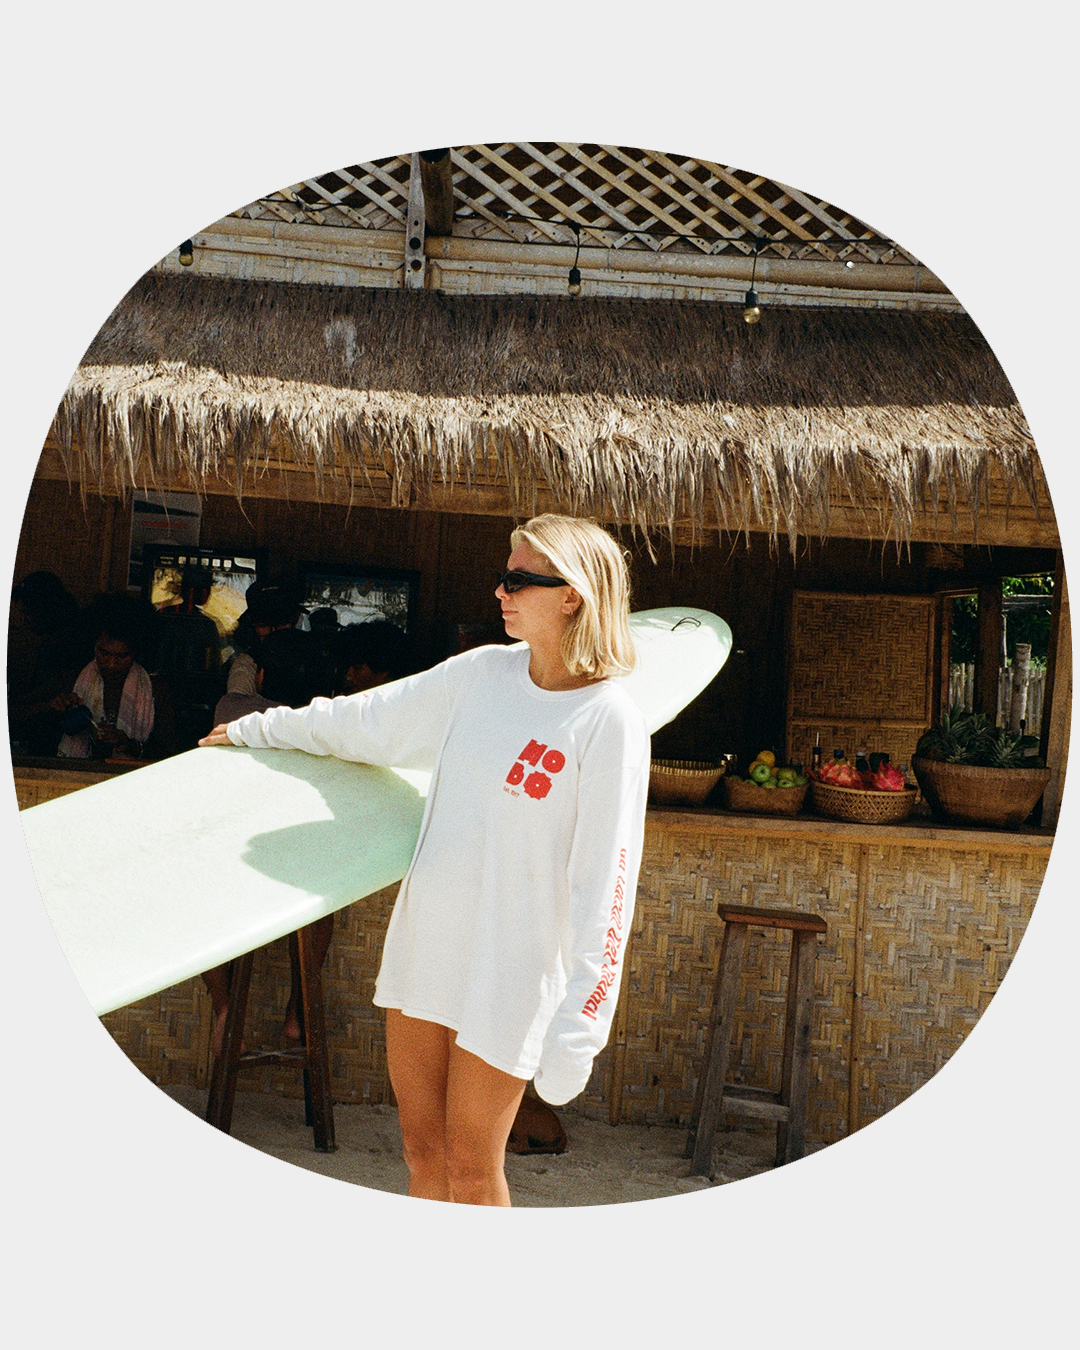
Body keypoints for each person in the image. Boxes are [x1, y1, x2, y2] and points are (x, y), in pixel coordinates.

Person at [199, 516, 650, 1206]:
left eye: (521, 579)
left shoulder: (606, 717)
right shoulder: (479, 675)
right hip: (428, 949)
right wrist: (259, 727)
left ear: (573, 596)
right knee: (421, 1154)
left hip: (511, 968)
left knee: (472, 1169)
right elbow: (366, 720)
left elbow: (606, 883)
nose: (501, 590)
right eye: (504, 574)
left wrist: (581, 1024)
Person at [202, 627, 335, 1055]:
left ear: (260, 678)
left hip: (234, 867)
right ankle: (299, 1013)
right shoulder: (327, 727)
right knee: (326, 905)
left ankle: (225, 1008)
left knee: (199, 910)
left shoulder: (231, 708)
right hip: (297, 875)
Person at [55, 594, 173, 761]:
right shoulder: (72, 679)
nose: (112, 664)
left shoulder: (156, 690)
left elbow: (169, 753)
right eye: (104, 653)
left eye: (123, 656)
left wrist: (131, 746)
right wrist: (53, 707)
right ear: (92, 645)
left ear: (137, 651)